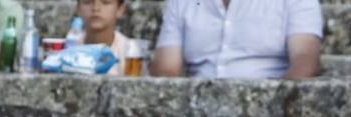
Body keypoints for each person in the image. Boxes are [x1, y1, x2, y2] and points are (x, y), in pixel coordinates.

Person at [151, 0, 322, 79]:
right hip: (197, 110)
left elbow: (305, 62)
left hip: (268, 114)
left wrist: (274, 105)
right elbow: (166, 69)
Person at [78, 0, 133, 76]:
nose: (95, 8)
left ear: (120, 9)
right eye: (88, 2)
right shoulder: (66, 48)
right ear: (78, 8)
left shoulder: (132, 53)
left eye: (105, 2)